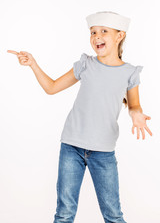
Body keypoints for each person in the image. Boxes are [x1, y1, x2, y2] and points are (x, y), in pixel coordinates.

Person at [7, 11, 153, 223]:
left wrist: (136, 114)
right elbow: (52, 87)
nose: (96, 36)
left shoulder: (130, 72)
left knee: (113, 214)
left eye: (104, 31)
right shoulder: (86, 64)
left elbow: (135, 105)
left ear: (119, 36)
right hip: (71, 146)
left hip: (103, 152)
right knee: (64, 213)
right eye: (93, 32)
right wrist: (33, 64)